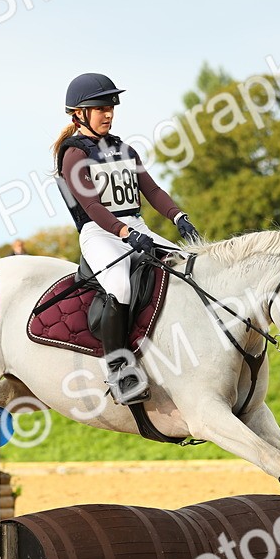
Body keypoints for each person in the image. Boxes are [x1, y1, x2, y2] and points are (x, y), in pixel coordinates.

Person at [53, 72, 202, 406]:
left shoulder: (123, 149)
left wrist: (178, 217)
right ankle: (119, 366)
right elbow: (91, 205)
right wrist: (125, 233)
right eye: (100, 108)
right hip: (100, 233)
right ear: (79, 113)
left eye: (110, 107)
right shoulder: (73, 154)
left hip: (136, 228)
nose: (108, 113)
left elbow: (151, 190)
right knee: (119, 284)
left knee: (186, 265)